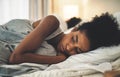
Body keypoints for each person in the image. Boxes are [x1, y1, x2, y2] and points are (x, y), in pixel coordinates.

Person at [3, 12, 119, 65]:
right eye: (74, 39)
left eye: (77, 50)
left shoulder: (52, 51)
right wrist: (59, 59)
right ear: (74, 29)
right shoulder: (52, 23)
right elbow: (16, 58)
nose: (69, 48)